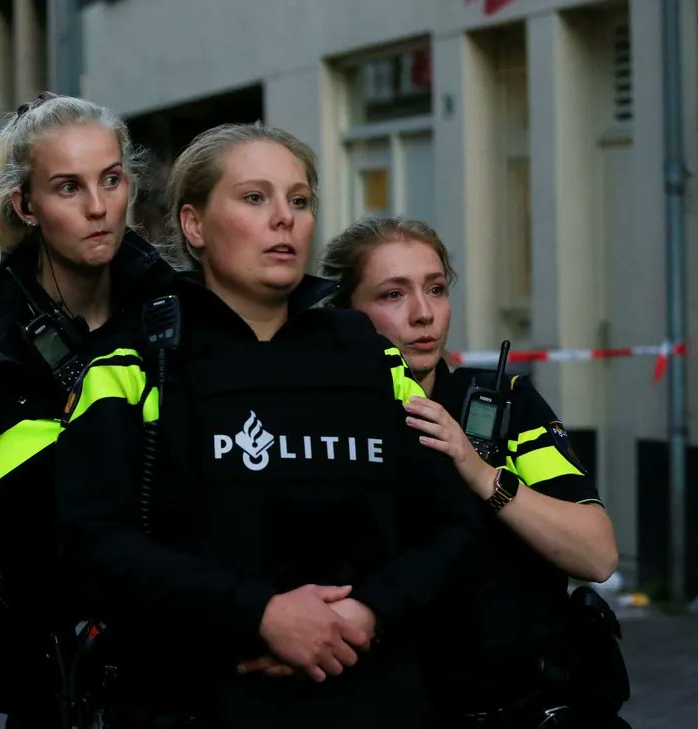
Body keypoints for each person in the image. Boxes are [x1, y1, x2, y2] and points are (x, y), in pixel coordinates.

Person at [54, 123, 481, 729]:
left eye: (299, 200)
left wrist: (366, 614)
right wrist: (261, 616)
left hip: (373, 697)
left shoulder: (368, 356)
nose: (284, 218)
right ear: (194, 225)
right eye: (255, 198)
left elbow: (451, 525)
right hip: (197, 705)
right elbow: (93, 542)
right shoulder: (134, 360)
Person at [0, 92, 174, 729]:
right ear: (26, 205)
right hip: (49, 696)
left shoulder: (186, 325)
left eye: (110, 180)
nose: (99, 208)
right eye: (68, 188)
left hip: (182, 691)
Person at [321, 215, 628, 728]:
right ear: (345, 312)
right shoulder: (329, 421)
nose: (424, 315)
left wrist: (483, 474)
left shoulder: (504, 404)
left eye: (436, 289)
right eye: (393, 295)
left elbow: (597, 554)